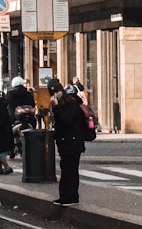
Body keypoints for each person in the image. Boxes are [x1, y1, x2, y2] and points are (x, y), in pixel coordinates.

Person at [49, 79, 89, 207]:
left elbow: (66, 120)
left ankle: (71, 196)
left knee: (70, 169)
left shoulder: (71, 103)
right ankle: (65, 196)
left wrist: (55, 108)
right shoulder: (63, 103)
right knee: (66, 169)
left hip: (72, 142)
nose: (54, 96)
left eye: (55, 93)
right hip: (65, 142)